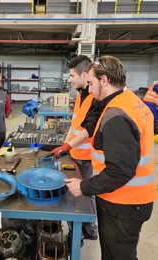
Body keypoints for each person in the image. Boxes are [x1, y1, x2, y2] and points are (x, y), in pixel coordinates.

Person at [65, 55, 156, 260]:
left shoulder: (117, 115)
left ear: (104, 80)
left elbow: (119, 171)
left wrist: (83, 187)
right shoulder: (129, 100)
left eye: (91, 83)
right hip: (131, 200)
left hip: (124, 204)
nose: (89, 89)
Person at [51, 55, 99, 240]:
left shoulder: (94, 98)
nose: (69, 80)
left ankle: (89, 229)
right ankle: (77, 229)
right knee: (73, 193)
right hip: (74, 153)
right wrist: (65, 144)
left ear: (84, 75)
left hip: (87, 157)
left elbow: (89, 129)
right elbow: (75, 123)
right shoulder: (80, 94)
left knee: (86, 193)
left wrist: (67, 145)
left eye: (71, 75)